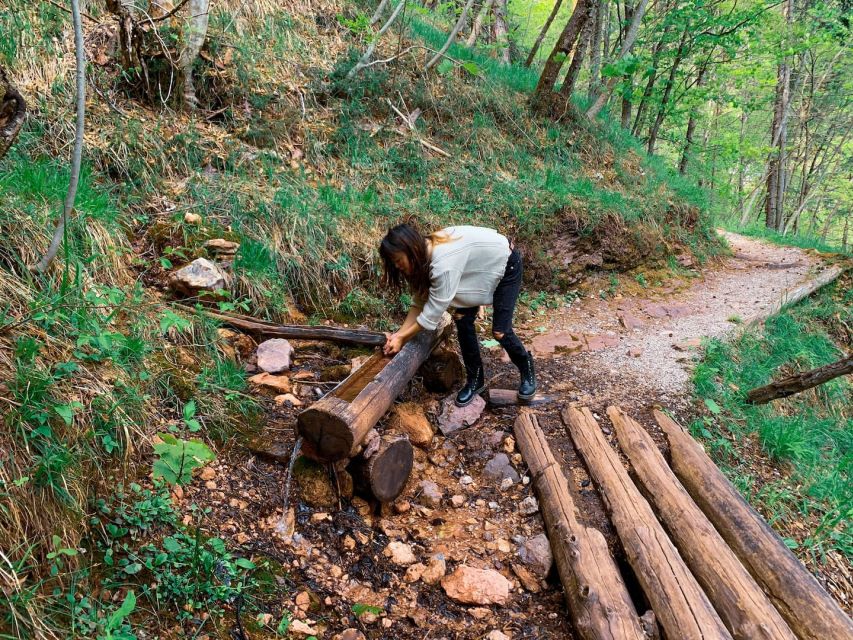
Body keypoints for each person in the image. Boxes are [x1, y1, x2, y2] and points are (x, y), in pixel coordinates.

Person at [379, 222, 536, 406]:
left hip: (505, 263)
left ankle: (527, 371)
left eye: (398, 261)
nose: (397, 267)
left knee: (500, 332)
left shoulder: (442, 263)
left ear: (410, 248)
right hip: (474, 269)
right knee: (462, 319)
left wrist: (402, 339)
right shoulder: (424, 255)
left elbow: (432, 313)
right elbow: (419, 303)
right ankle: (475, 380)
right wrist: (398, 335)